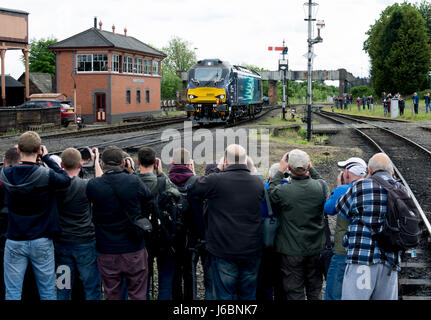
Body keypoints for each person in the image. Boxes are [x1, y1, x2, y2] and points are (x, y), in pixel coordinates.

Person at [0, 131, 71, 300]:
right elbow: (65, 179)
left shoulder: (5, 175)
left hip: (15, 239)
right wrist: (47, 158)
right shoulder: (44, 175)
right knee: (46, 291)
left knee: (12, 292)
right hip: (41, 240)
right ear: (39, 150)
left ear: (18, 151)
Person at [188, 144, 264, 300]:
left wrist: (218, 169)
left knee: (225, 296)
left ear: (226, 162)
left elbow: (192, 188)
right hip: (251, 249)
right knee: (248, 295)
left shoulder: (216, 180)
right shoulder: (258, 184)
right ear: (245, 161)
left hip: (224, 249)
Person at [86, 146, 153, 300]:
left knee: (112, 294)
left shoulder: (93, 186)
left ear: (102, 165)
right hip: (133, 247)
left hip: (107, 249)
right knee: (138, 294)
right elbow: (148, 196)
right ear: (123, 164)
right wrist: (132, 172)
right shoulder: (134, 181)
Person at [337, 153, 402, 300]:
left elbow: (341, 210)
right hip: (390, 261)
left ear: (370, 170)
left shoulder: (360, 185)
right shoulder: (400, 189)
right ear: (391, 171)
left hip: (362, 257)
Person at [268, 149, 328, 300]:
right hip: (315, 248)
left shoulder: (284, 191)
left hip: (291, 250)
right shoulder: (320, 187)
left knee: (294, 292)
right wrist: (311, 167)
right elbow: (320, 179)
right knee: (315, 290)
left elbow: (270, 191)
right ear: (308, 166)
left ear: (289, 167)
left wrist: (280, 171)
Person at [54, 147, 103, 300]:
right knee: (91, 288)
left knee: (63, 288)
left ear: (62, 165)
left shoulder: (55, 187)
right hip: (85, 243)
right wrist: (96, 160)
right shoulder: (86, 185)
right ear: (80, 166)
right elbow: (101, 182)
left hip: (62, 244)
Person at [135, 146, 180, 300]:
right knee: (165, 281)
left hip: (140, 237)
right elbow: (176, 193)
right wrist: (162, 174)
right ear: (155, 163)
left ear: (137, 162)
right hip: (162, 235)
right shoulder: (162, 182)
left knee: (141, 283)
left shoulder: (132, 182)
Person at [323, 157, 367, 300]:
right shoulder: (370, 188)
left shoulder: (343, 189)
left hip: (343, 250)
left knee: (333, 292)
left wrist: (338, 187)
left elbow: (328, 209)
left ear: (347, 174)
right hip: (364, 253)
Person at [167, 148, 202, 301]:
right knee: (190, 271)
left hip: (171, 234)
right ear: (189, 163)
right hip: (191, 235)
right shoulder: (197, 181)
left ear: (172, 162)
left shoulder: (165, 180)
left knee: (174, 271)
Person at [256, 163, 287, 301]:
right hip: (286, 241)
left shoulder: (264, 189)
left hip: (266, 240)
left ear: (270, 177)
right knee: (282, 280)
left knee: (264, 279)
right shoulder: (290, 189)